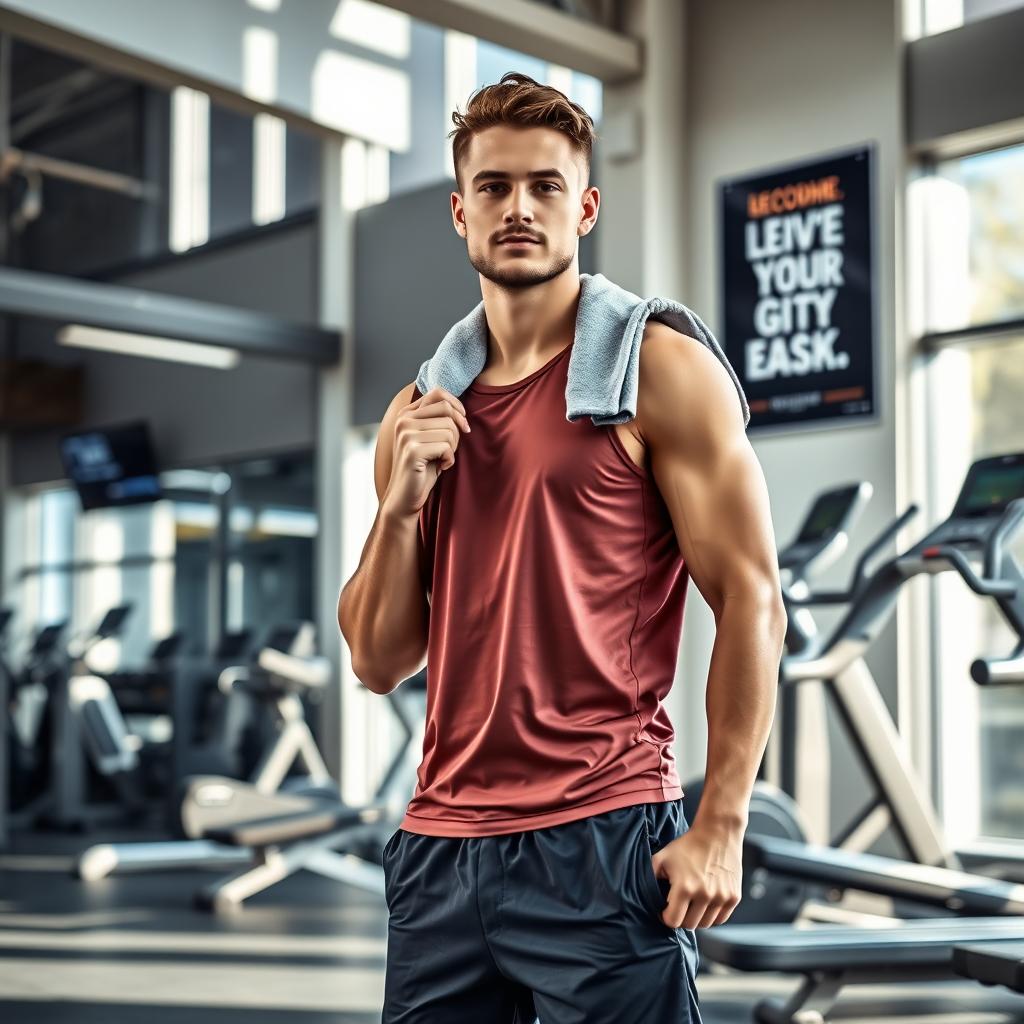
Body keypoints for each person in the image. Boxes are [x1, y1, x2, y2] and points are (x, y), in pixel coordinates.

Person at [338, 72, 787, 1024]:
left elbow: (751, 598)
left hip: (602, 835)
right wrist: (400, 505)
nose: (518, 208)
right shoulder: (416, 416)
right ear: (460, 214)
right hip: (439, 850)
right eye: (494, 188)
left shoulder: (660, 370)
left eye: (545, 187)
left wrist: (723, 826)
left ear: (584, 208)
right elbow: (379, 660)